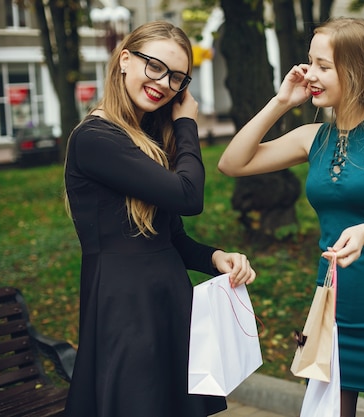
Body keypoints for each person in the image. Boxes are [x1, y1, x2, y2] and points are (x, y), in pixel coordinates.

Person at [218, 17, 364, 417]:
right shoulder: (312, 137)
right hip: (329, 314)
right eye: (309, 62)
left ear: (355, 71)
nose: (308, 75)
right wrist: (281, 101)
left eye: (322, 66)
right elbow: (232, 163)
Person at [63, 21, 256, 417]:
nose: (164, 83)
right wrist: (187, 124)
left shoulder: (148, 138)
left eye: (177, 77)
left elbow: (170, 238)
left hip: (170, 303)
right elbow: (188, 195)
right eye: (155, 67)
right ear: (125, 60)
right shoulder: (95, 139)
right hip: (126, 309)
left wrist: (216, 258)